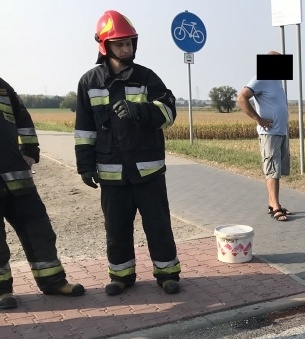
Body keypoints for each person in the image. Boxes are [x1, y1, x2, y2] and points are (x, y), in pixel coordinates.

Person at [75, 10, 181, 296]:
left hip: (148, 171)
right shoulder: (89, 82)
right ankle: (121, 276)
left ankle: (168, 273)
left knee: (158, 225)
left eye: (130, 43)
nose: (126, 49)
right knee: (117, 229)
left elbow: (169, 112)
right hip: (111, 173)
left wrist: (141, 111)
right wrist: (84, 166)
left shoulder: (148, 78)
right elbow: (84, 129)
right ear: (104, 45)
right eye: (120, 44)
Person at [0, 76, 85, 310]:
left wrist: (29, 150)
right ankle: (2, 292)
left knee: (40, 231)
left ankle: (53, 282)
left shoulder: (3, 87)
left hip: (17, 176)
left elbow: (23, 118)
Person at [237, 53, 292, 222]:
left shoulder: (277, 81)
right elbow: (242, 97)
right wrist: (258, 119)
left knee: (277, 170)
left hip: (280, 132)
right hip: (269, 133)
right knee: (272, 170)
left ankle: (272, 203)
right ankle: (276, 207)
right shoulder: (260, 79)